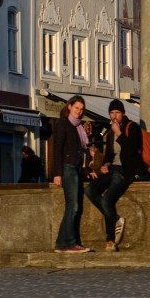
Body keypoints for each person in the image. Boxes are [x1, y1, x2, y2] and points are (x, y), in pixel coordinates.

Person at [84, 99, 144, 252]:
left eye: (117, 112)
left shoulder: (133, 128)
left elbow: (131, 150)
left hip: (127, 171)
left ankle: (110, 240)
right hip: (113, 169)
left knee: (106, 201)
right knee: (90, 190)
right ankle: (115, 218)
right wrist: (105, 165)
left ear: (123, 113)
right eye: (112, 113)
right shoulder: (110, 132)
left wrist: (119, 133)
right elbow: (110, 154)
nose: (114, 116)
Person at [51, 96, 93, 253]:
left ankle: (60, 243)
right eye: (76, 108)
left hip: (75, 169)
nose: (79, 111)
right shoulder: (63, 124)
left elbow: (82, 150)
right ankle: (70, 243)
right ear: (69, 107)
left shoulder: (78, 127)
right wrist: (57, 173)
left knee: (72, 206)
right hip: (67, 169)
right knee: (73, 206)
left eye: (81, 109)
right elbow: (57, 148)